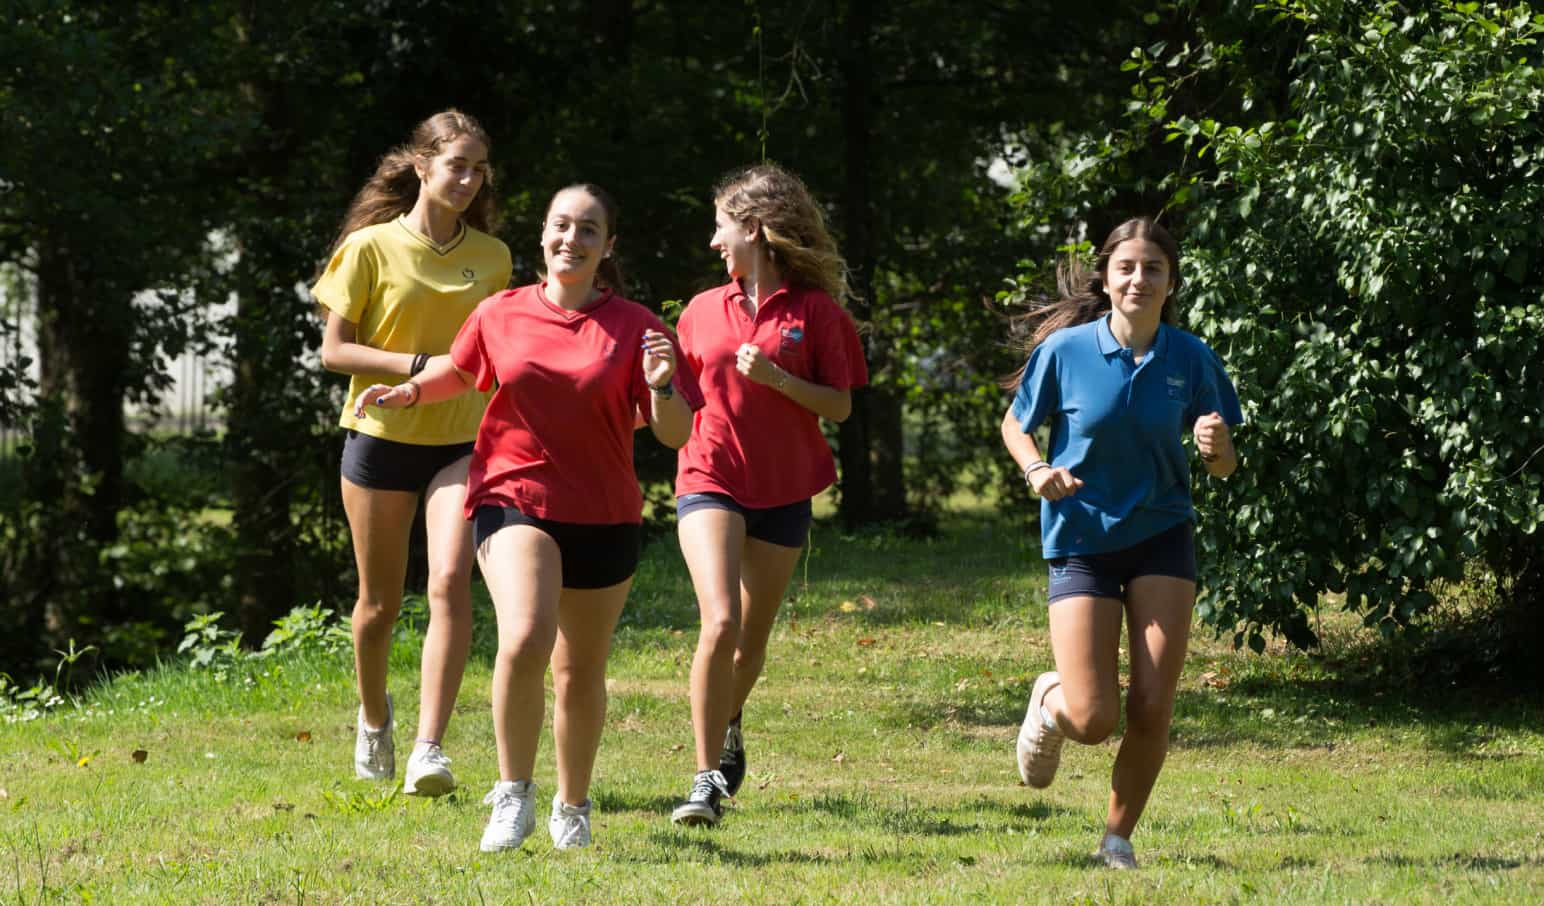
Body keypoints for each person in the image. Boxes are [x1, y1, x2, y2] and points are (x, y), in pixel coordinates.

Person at [354, 183, 703, 852]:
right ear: (543, 234)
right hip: (514, 495)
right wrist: (406, 391)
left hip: (603, 512)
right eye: (561, 225)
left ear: (608, 247)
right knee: (523, 635)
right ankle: (513, 794)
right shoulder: (501, 312)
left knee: (580, 670)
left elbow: (675, 435)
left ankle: (573, 805)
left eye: (588, 230)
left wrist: (661, 388)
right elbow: (461, 372)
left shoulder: (640, 329)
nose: (571, 239)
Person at [1000, 217, 1241, 869]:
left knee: (1153, 701)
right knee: (1094, 717)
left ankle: (1117, 840)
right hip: (1081, 536)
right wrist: (1036, 470)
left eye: (1153, 269)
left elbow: (1224, 461)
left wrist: (1218, 451)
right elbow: (1017, 425)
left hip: (1163, 533)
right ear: (1106, 280)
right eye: (1127, 267)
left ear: (1171, 284)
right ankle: (1051, 703)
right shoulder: (1067, 352)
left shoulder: (1192, 358)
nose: (1139, 279)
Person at [314, 110, 512, 796]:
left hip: (462, 442)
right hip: (380, 441)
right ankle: (375, 719)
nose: (468, 179)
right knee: (378, 606)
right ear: (422, 166)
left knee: (450, 584)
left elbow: (499, 352)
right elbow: (334, 351)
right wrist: (421, 365)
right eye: (456, 165)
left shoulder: (492, 257)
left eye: (478, 168)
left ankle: (429, 747)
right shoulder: (369, 247)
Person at [668, 163, 868, 826]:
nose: (713, 241)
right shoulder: (700, 310)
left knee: (751, 641)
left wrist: (780, 380)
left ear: (753, 228)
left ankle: (728, 720)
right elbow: (677, 401)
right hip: (710, 476)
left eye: (722, 226)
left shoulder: (818, 314)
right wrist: (658, 384)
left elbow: (839, 407)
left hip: (784, 489)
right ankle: (704, 782)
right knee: (720, 621)